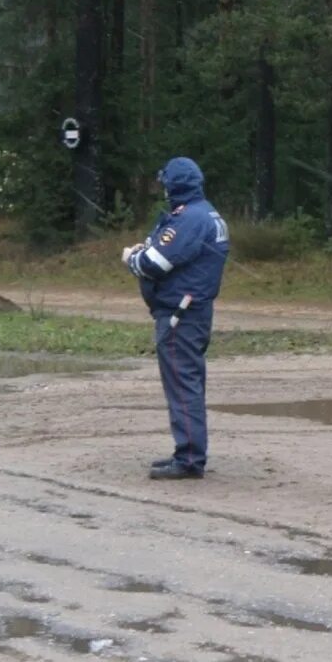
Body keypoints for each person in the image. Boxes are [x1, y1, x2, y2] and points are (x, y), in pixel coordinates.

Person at [123, 157, 230, 480]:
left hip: (180, 316)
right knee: (187, 382)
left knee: (183, 385)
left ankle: (188, 458)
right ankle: (188, 451)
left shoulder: (190, 219)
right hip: (190, 312)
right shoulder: (202, 214)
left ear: (174, 186)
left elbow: (154, 264)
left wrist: (131, 258)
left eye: (165, 183)